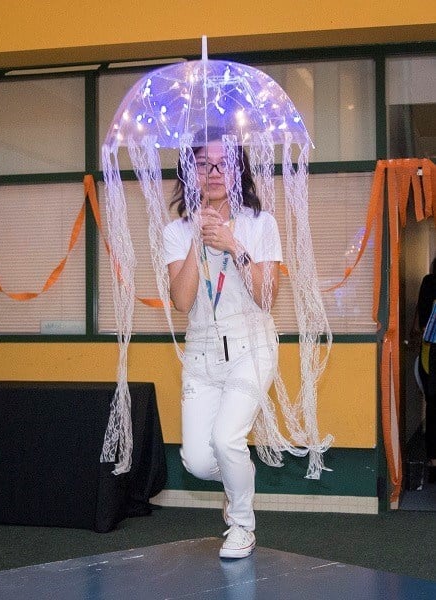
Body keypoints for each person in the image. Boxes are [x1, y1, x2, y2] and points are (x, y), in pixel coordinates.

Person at [163, 134, 282, 559]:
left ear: (237, 171)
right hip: (201, 353)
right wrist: (200, 238)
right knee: (197, 459)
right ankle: (238, 477)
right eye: (202, 164)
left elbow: (268, 298)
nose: (213, 173)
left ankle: (242, 526)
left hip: (252, 346)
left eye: (222, 163)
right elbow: (181, 301)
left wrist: (232, 244)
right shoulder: (176, 232)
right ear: (189, 173)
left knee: (227, 437)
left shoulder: (259, 223)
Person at [414, 256, 436, 483]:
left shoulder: (428, 282)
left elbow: (422, 318)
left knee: (432, 406)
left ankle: (433, 461)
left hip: (430, 351)